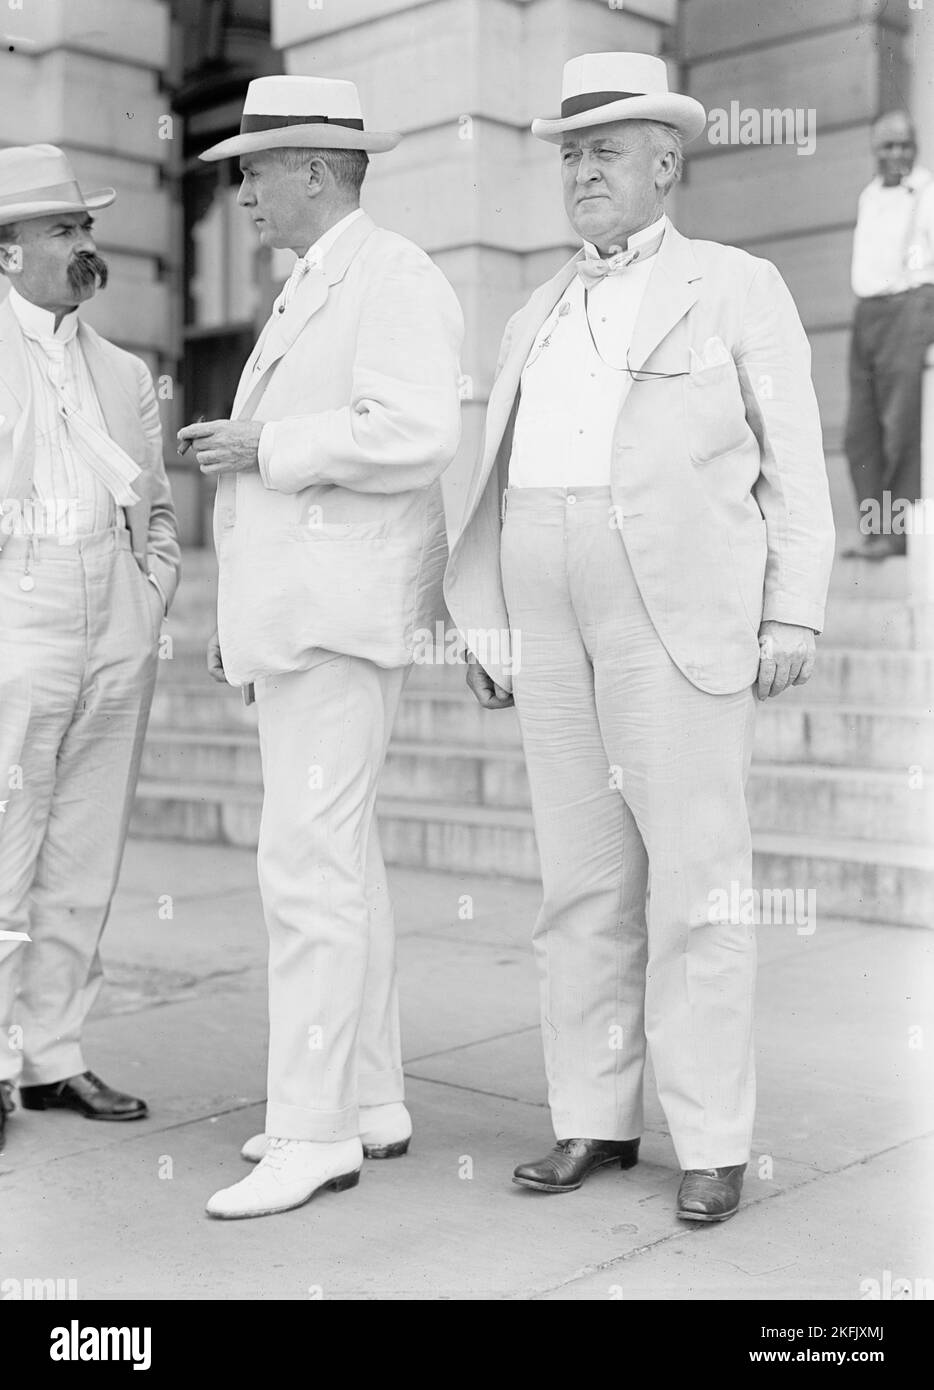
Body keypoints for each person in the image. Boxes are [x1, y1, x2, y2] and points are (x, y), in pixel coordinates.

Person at [444, 52, 835, 1223]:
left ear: (665, 164)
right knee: (580, 883)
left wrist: (793, 606)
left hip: (676, 609)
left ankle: (711, 1138)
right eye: (570, 153)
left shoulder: (735, 286)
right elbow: (503, 473)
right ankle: (594, 1120)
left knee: (698, 885)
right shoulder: (535, 309)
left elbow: (793, 461)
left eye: (604, 150)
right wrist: (488, 620)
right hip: (548, 610)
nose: (582, 172)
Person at [179, 76, 464, 1220]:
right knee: (339, 862)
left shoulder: (389, 275)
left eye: (252, 168)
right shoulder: (322, 284)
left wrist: (262, 443)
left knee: (305, 869)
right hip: (304, 620)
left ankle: (314, 1132)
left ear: (312, 169)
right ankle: (370, 1098)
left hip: (337, 624)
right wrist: (234, 618)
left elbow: (415, 431)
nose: (241, 191)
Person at [0, 145, 180, 1152]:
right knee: (5, 854)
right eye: (63, 230)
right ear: (6, 252)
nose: (85, 245)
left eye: (86, 227)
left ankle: (55, 1054)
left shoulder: (120, 370)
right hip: (15, 613)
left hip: (113, 615)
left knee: (85, 851)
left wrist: (150, 598)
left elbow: (155, 510)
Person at [843, 110, 934, 559]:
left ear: (914, 146)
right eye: (887, 146)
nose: (896, 153)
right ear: (874, 149)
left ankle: (899, 536)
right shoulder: (870, 196)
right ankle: (876, 529)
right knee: (860, 431)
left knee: (901, 426)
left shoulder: (929, 192)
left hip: (911, 306)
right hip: (868, 313)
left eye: (903, 145)